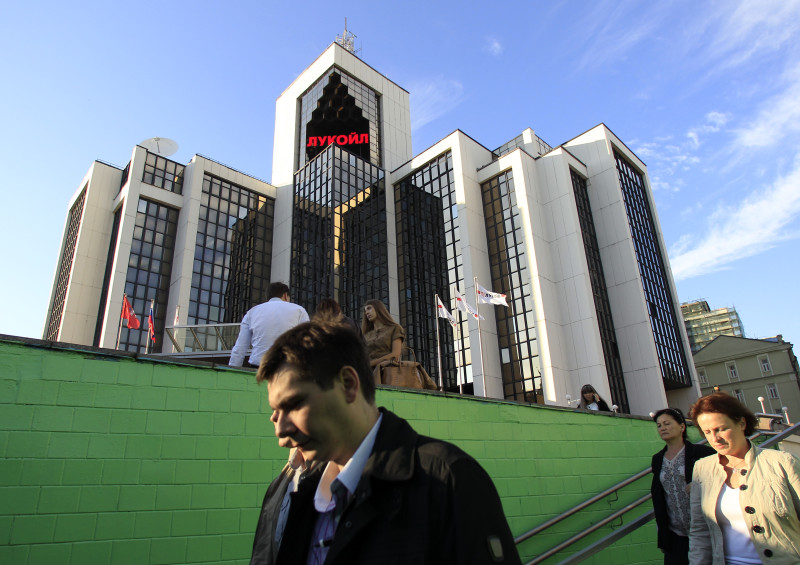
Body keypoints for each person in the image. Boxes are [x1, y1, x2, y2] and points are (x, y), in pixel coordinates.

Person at [256, 320, 522, 564]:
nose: (281, 432)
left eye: (294, 404)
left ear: (349, 385)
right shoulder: (299, 500)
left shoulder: (450, 480)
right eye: (275, 412)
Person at [688, 392, 800, 565]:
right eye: (707, 432)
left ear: (741, 423)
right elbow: (699, 530)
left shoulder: (782, 463)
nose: (715, 438)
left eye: (721, 429)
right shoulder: (702, 468)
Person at [650, 408, 715, 565]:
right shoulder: (658, 459)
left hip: (705, 533)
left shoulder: (702, 453)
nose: (662, 428)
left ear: (682, 427)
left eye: (667, 423)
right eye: (659, 426)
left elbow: (724, 477)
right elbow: (659, 496)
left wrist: (701, 485)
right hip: (675, 536)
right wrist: (664, 537)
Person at [229, 282, 309, 368]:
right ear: (285, 295)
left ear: (268, 297)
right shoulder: (299, 310)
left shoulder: (252, 312)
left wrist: (233, 368)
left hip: (259, 367)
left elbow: (240, 347)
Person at [361, 299, 405, 368]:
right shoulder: (365, 335)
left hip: (388, 372)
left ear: (378, 309)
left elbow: (395, 355)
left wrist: (371, 363)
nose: (366, 313)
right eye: (365, 311)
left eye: (369, 308)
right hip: (368, 374)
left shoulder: (395, 328)